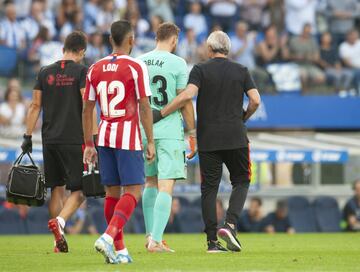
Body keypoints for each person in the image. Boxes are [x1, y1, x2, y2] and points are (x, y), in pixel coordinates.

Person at [154, 31, 261, 252]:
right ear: (228, 50)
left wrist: (162, 113)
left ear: (210, 50)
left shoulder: (200, 69)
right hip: (235, 136)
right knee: (241, 180)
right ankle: (230, 224)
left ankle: (212, 242)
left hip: (208, 137)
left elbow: (186, 96)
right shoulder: (241, 70)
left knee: (209, 188)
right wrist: (243, 118)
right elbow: (255, 100)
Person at [82, 20, 155, 264]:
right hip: (127, 136)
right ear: (131, 40)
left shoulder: (94, 67)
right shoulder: (136, 66)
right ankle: (108, 237)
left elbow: (87, 108)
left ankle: (121, 251)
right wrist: (151, 140)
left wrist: (89, 144)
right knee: (133, 191)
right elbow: (144, 105)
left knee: (112, 194)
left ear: (111, 39)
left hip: (103, 135)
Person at [21, 31, 95, 253]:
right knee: (81, 191)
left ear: (64, 48)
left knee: (57, 189)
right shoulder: (82, 71)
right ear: (81, 51)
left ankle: (57, 242)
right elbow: (87, 104)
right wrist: (93, 138)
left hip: (49, 140)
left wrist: (27, 136)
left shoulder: (44, 72)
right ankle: (60, 223)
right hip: (74, 139)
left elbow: (34, 106)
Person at [138, 22, 196, 253]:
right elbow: (184, 100)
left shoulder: (139, 61)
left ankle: (150, 234)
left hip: (144, 131)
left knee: (149, 182)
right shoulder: (178, 63)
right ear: (173, 40)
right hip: (169, 132)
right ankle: (157, 241)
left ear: (156, 38)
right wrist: (192, 133)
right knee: (166, 185)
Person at [289, 23, 325, 92]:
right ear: (302, 31)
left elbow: (317, 57)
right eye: (305, 31)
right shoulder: (294, 40)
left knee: (321, 77)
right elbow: (287, 55)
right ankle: (303, 92)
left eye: (308, 32)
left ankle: (309, 88)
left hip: (309, 65)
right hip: (297, 65)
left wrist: (308, 57)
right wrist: (296, 57)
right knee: (303, 75)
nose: (307, 33)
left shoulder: (313, 41)